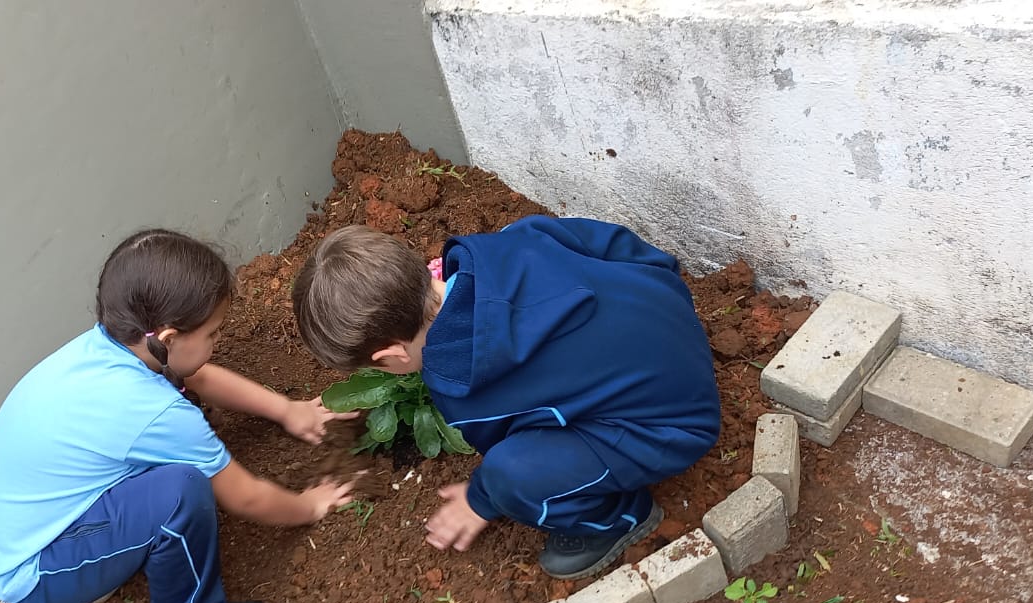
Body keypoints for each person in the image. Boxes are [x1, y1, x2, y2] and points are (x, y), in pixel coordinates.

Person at [0, 229, 358, 603]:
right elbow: (247, 497)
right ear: (169, 338)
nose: (217, 341)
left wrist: (286, 410)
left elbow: (198, 376)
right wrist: (309, 505)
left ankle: (116, 552)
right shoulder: (155, 413)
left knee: (166, 474)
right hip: (36, 572)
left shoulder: (111, 349)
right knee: (179, 492)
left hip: (32, 530)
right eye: (213, 332)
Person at [291, 215, 720, 580]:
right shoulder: (511, 240)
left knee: (508, 474)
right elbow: (613, 241)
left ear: (391, 355)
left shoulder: (465, 387)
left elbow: (519, 454)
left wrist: (482, 499)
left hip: (676, 422)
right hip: (672, 322)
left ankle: (618, 519)